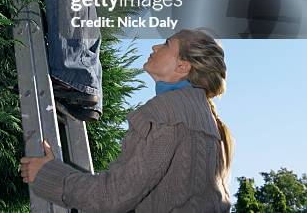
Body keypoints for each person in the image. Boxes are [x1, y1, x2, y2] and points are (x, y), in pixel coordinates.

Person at [19, 28, 233, 212]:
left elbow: (114, 196)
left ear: (182, 67)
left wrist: (48, 175)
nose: (155, 47)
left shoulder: (167, 113)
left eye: (167, 44)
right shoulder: (208, 124)